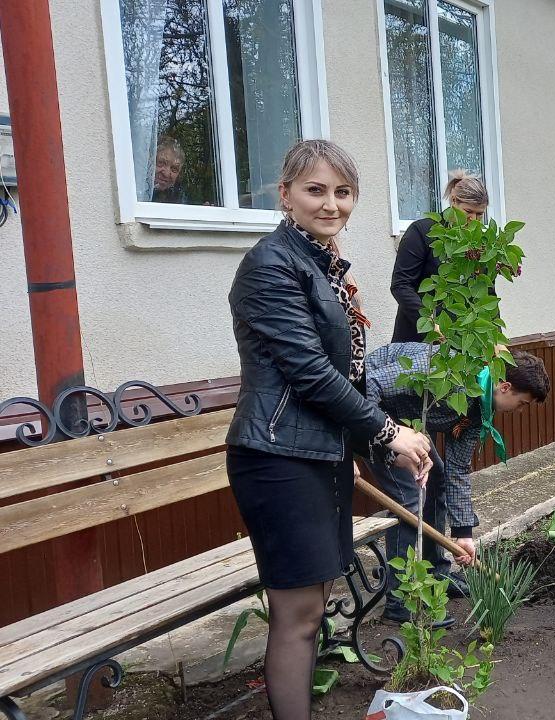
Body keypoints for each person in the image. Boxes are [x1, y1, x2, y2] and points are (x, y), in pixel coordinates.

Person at [225, 139, 434, 720]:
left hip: (317, 455)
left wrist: (376, 441)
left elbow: (352, 372)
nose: (332, 204)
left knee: (312, 610)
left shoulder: (322, 264)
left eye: (343, 192)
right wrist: (390, 432)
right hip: (278, 458)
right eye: (315, 190)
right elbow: (311, 373)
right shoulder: (271, 264)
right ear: (286, 194)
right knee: (296, 617)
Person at [363, 343, 550, 624]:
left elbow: (457, 471)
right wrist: (388, 442)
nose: (520, 411)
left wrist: (464, 534)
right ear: (505, 387)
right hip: (371, 412)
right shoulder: (450, 371)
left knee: (437, 476)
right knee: (409, 497)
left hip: (403, 421)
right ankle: (399, 603)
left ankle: (436, 572)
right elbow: (369, 381)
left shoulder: (478, 408)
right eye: (522, 403)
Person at [390, 170, 490, 343]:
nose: (473, 219)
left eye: (480, 214)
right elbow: (401, 285)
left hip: (462, 343)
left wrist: (496, 339)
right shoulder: (422, 232)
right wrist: (430, 323)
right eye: (468, 211)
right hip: (417, 340)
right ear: (453, 201)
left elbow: (487, 293)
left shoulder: (480, 244)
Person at [151, 135, 189, 204]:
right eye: (161, 163)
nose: (166, 174)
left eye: (174, 169)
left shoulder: (180, 199)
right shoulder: (134, 192)